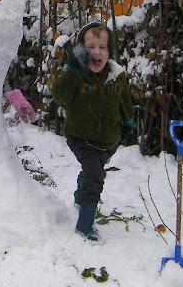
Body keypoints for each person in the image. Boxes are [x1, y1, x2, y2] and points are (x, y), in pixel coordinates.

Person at [51, 22, 134, 241]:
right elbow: (59, 96)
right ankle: (85, 225)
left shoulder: (117, 75)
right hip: (80, 138)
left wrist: (128, 124)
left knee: (92, 171)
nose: (96, 51)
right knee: (95, 175)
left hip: (108, 140)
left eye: (102, 47)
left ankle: (80, 197)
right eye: (90, 47)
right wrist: (73, 71)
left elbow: (124, 101)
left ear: (110, 51)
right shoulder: (76, 75)